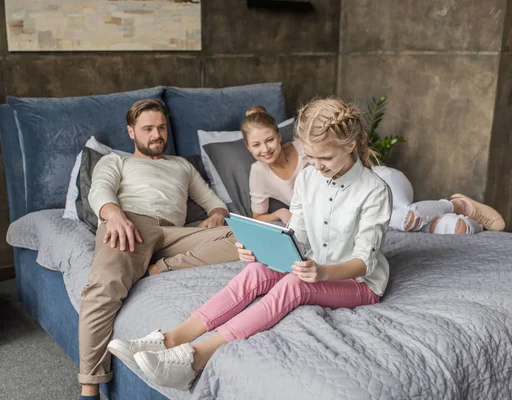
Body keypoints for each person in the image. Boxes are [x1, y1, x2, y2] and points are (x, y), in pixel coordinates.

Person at [108, 97, 392, 391]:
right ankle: (169, 340)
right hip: (313, 264)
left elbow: (364, 261)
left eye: (326, 159)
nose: (317, 166)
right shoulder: (309, 178)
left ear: (349, 145)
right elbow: (297, 235)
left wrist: (321, 273)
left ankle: (195, 359)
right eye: (311, 157)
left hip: (358, 282)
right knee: (257, 271)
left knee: (295, 285)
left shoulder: (374, 191)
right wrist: (263, 251)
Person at [78, 99, 240, 400]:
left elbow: (212, 200)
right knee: (104, 287)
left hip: (175, 233)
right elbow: (99, 190)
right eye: (148, 129)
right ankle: (89, 390)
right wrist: (113, 215)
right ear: (131, 131)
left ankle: (160, 269)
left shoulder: (182, 166)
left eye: (161, 128)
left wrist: (217, 214)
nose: (157, 135)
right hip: (130, 224)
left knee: (242, 237)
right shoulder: (116, 160)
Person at [372, 165, 505, 234]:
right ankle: (479, 226)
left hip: (384, 180)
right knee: (459, 228)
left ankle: (457, 205)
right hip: (374, 211)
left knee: (406, 218)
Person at [242, 105, 308, 224]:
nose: (265, 149)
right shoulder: (258, 172)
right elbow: (258, 217)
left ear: (279, 136)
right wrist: (280, 213)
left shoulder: (304, 148)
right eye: (256, 145)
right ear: (248, 147)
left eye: (269, 140)